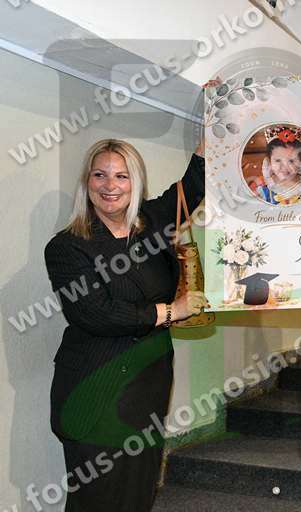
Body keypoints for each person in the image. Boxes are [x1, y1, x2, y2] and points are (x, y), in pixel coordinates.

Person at [44, 127, 211, 509]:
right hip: (95, 391)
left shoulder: (150, 222)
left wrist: (212, 134)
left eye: (121, 176)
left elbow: (190, 189)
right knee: (97, 497)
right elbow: (95, 314)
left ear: (135, 182)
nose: (110, 185)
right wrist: (170, 311)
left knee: (139, 490)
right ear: (87, 181)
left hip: (148, 386)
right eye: (100, 175)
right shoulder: (67, 247)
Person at [254, 125, 301, 205]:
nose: (284, 166)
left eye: (291, 161)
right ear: (269, 162)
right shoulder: (263, 193)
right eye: (278, 160)